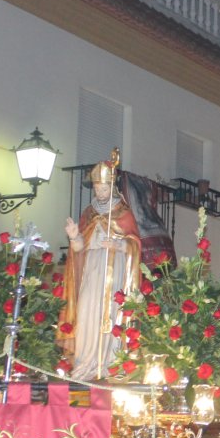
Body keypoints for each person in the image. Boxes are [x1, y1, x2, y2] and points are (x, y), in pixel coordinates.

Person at [64, 153, 143, 381]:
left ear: (113, 186)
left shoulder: (122, 212)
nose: (99, 192)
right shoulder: (89, 212)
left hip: (114, 270)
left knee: (109, 312)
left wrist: (119, 243)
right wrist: (73, 237)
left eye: (104, 187)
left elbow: (135, 244)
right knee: (87, 311)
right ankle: (86, 364)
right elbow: (79, 248)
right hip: (92, 269)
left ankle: (109, 363)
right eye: (97, 188)